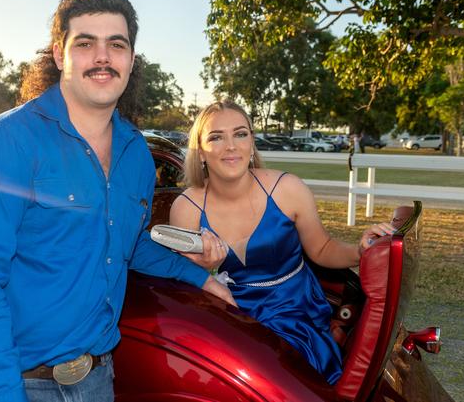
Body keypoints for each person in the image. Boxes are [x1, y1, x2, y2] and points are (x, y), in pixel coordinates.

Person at [0, 0, 233, 402]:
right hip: (3, 382)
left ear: (130, 60)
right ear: (59, 55)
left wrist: (198, 276)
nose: (103, 56)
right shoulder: (5, 143)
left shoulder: (136, 155)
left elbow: (127, 243)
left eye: (117, 44)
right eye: (85, 43)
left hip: (93, 379)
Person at [169, 100, 395, 384]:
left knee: (295, 382)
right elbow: (183, 285)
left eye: (240, 134)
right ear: (200, 151)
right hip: (229, 316)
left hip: (295, 309)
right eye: (216, 137)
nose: (231, 145)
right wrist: (209, 270)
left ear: (252, 143)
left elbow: (322, 249)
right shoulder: (186, 208)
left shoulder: (287, 189)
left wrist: (360, 251)